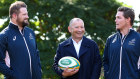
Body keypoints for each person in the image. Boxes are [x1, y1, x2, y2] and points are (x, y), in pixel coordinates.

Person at [0, 1, 42, 79]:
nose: (27, 16)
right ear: (14, 16)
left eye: (27, 14)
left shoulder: (30, 32)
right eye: (24, 14)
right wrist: (15, 76)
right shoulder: (4, 36)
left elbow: (36, 54)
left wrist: (39, 72)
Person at [103, 7, 140, 79]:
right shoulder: (110, 39)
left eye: (118, 18)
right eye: (116, 18)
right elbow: (105, 61)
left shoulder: (138, 38)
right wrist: (108, 75)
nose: (115, 20)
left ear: (128, 19)